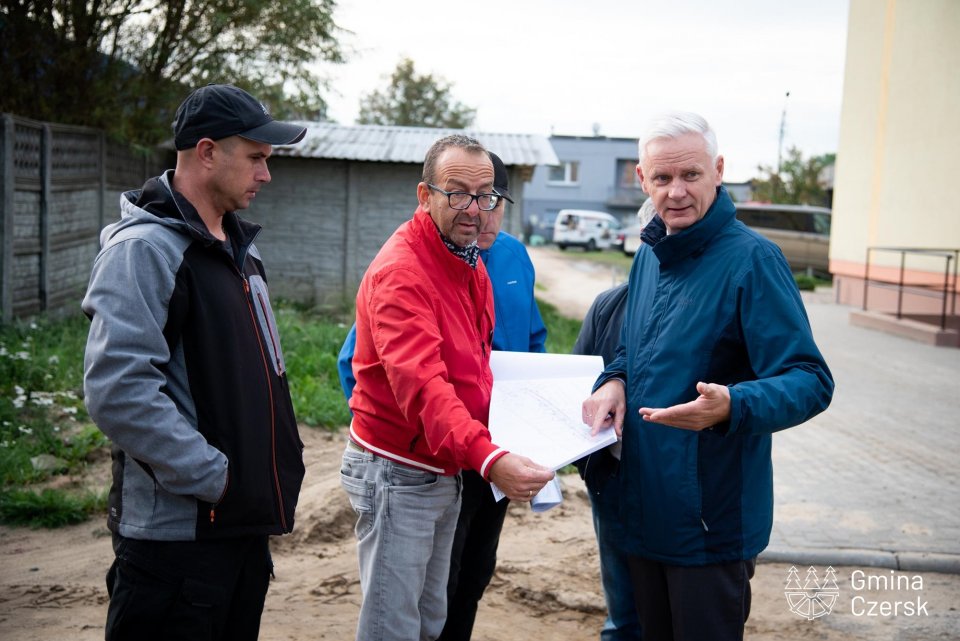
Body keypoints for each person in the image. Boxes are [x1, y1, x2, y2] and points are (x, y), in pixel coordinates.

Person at [581, 111, 834, 641]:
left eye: (691, 175)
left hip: (708, 525)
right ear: (642, 180)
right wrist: (615, 379)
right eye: (663, 178)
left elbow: (810, 379)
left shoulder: (754, 260)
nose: (676, 192)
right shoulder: (650, 254)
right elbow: (634, 348)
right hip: (643, 513)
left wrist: (734, 404)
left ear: (718, 171)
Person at [81, 84, 308, 641]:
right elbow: (119, 392)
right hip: (176, 546)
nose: (265, 174)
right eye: (256, 157)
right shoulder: (145, 251)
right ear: (206, 153)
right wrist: (218, 478)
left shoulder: (240, 249)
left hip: (238, 532)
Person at [340, 134, 555, 641]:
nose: (474, 209)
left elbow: (477, 373)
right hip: (400, 468)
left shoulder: (468, 261)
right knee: (394, 624)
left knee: (432, 616)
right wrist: (490, 459)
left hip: (445, 463)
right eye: (457, 193)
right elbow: (425, 389)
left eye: (486, 197)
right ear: (424, 195)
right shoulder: (401, 274)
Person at [572, 199, 657, 641]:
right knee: (624, 617)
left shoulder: (708, 307)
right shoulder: (610, 306)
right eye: (651, 238)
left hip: (678, 492)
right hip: (615, 484)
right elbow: (576, 386)